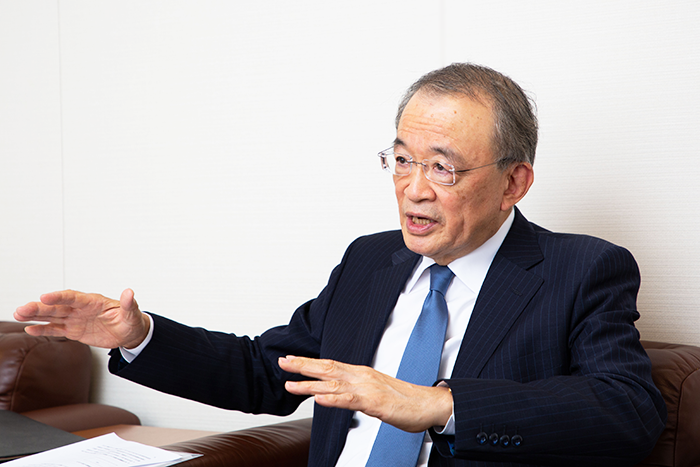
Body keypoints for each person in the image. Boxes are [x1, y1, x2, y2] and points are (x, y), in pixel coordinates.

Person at [15, 63, 666, 467]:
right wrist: (140, 335)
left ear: (513, 183)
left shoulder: (580, 269)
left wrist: (436, 404)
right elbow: (270, 374)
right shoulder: (371, 260)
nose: (413, 189)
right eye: (402, 160)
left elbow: (629, 410)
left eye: (442, 167)